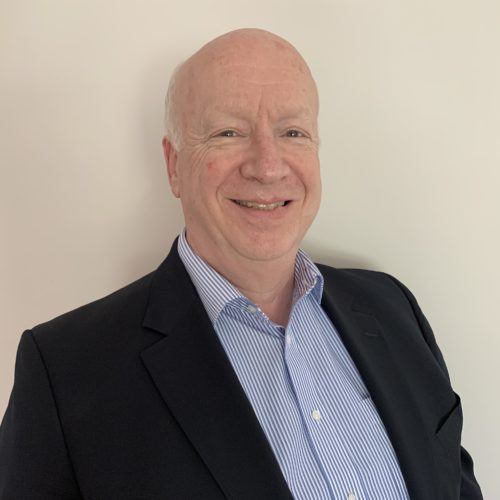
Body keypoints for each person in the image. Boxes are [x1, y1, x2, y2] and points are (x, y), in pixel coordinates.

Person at [0, 28, 481, 500]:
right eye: (228, 132)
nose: (267, 166)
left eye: (292, 132)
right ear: (174, 164)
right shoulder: (66, 374)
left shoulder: (393, 308)